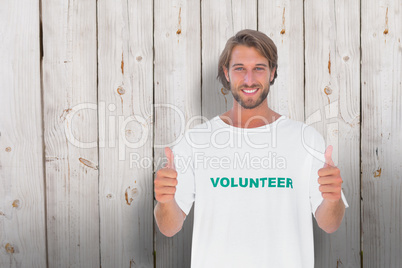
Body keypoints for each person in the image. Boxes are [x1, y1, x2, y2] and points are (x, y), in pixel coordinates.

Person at [154, 29, 348, 268]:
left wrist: (332, 198)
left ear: (272, 72)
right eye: (239, 68)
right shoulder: (196, 140)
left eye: (258, 67)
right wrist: (165, 200)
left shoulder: (305, 138)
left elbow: (330, 224)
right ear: (226, 73)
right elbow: (169, 227)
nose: (249, 79)